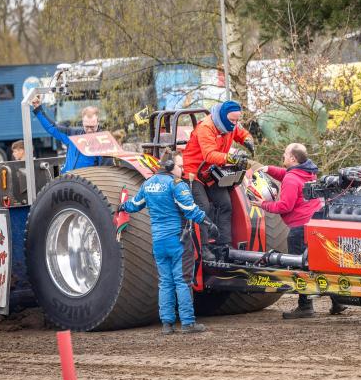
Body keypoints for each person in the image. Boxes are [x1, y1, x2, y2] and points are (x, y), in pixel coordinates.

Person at [119, 149, 219, 334]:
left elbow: (134, 205)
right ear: (170, 166)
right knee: (182, 281)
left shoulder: (148, 184)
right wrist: (209, 223)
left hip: (159, 242)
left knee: (165, 282)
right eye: (180, 166)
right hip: (177, 242)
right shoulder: (176, 185)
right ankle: (188, 323)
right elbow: (190, 209)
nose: (182, 169)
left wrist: (121, 206)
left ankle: (167, 324)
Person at [250, 143, 347, 319]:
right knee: (320, 264)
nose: (283, 156)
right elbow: (287, 174)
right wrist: (268, 169)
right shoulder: (308, 172)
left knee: (300, 267)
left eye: (286, 154)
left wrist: (262, 204)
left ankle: (305, 306)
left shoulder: (291, 179)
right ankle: (338, 300)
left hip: (299, 229)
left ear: (293, 159)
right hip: (315, 223)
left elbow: (285, 206)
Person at [182, 100, 254, 259]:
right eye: (232, 120)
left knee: (225, 204)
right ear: (223, 116)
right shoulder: (206, 127)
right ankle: (204, 247)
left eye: (237, 120)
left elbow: (241, 132)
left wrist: (248, 139)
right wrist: (232, 158)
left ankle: (224, 245)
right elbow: (209, 154)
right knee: (203, 207)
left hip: (211, 172)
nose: (235, 124)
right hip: (194, 172)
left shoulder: (230, 124)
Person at [30, 95, 108, 173]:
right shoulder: (73, 135)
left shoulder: (104, 142)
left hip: (87, 183)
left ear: (98, 123)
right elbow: (52, 128)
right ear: (82, 122)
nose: (90, 130)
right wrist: (38, 109)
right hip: (68, 179)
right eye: (87, 127)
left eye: (92, 127)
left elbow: (106, 170)